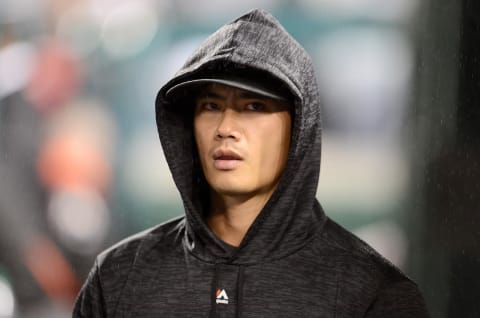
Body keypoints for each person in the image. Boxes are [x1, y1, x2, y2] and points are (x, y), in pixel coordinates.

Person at [73, 9, 429, 317]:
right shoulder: (119, 276)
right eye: (211, 106)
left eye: (254, 107)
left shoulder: (371, 293)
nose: (226, 129)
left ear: (300, 125)